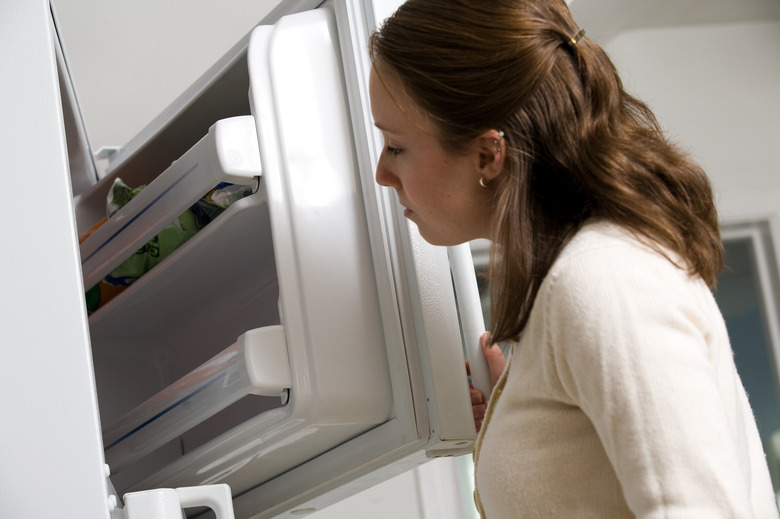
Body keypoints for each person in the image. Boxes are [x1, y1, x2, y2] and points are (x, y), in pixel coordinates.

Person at [367, 0, 780, 517]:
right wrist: (526, 418)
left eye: (396, 146)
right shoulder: (579, 282)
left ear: (488, 155)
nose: (383, 173)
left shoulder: (605, 280)